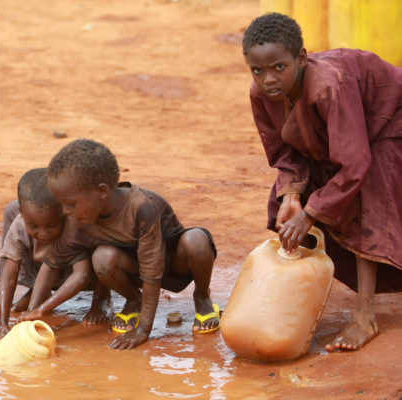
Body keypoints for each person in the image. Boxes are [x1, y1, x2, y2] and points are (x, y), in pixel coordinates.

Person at [242, 13, 402, 352]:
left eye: (278, 68)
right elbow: (283, 152)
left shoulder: (330, 85)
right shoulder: (260, 94)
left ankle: (365, 316)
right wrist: (292, 195)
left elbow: (354, 164)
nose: (269, 79)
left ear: (300, 58)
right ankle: (309, 292)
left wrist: (311, 213)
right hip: (345, 139)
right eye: (258, 70)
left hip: (387, 123)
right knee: (282, 207)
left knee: (363, 204)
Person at [44, 139, 219, 350]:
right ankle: (133, 299)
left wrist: (143, 330)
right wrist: (36, 310)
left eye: (70, 204)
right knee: (102, 257)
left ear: (101, 191)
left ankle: (202, 296)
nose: (65, 212)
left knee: (196, 240)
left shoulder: (141, 207)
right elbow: (52, 263)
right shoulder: (80, 220)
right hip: (134, 269)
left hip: (172, 265)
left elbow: (152, 270)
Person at [0, 168, 112, 339]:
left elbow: (82, 274)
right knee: (15, 249)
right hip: (51, 268)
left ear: (64, 212)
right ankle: (36, 290)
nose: (43, 233)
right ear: (22, 213)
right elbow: (9, 275)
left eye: (51, 225)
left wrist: (39, 310)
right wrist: (3, 324)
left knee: (101, 248)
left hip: (83, 274)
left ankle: (101, 297)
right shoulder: (20, 225)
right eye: (34, 226)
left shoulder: (74, 226)